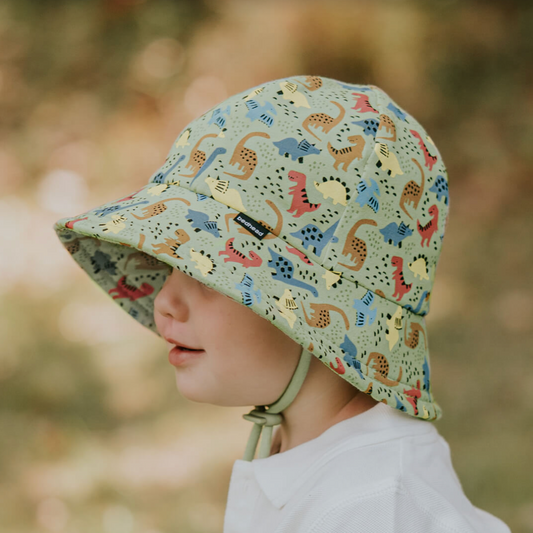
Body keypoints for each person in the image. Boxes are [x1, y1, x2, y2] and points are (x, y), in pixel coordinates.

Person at [53, 75, 511, 532]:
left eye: (207, 271)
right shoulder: (311, 449)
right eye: (171, 264)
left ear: (316, 315)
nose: (166, 301)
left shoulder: (370, 508)